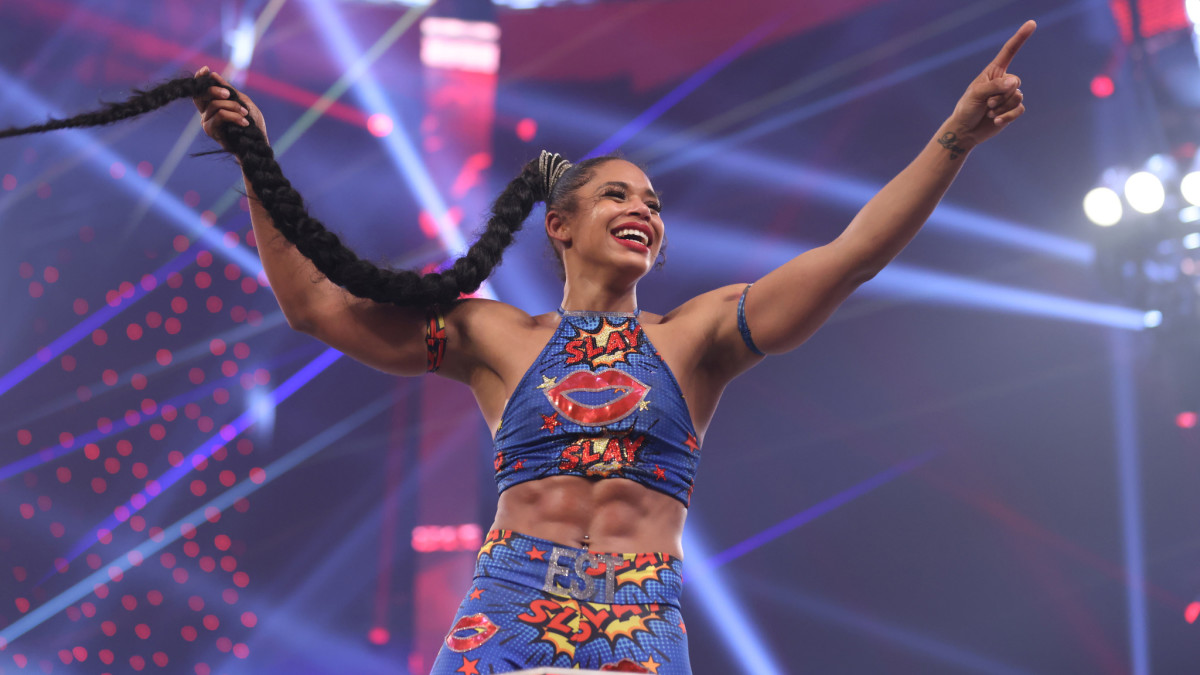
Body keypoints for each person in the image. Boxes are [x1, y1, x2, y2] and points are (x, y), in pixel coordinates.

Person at [1, 19, 1034, 674]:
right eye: (619, 195)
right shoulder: (496, 332)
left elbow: (852, 256)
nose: (645, 211)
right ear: (562, 225)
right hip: (509, 608)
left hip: (637, 617)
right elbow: (317, 310)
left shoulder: (703, 334)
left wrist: (954, 137)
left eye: (656, 202)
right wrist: (251, 161)